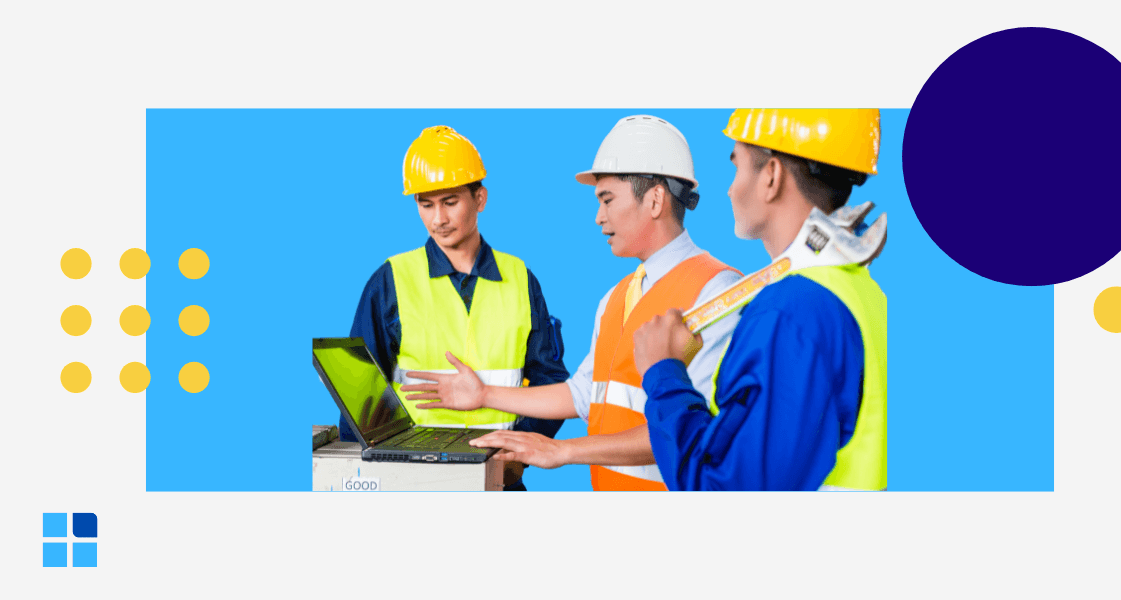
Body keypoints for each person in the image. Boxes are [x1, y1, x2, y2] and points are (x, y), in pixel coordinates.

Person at [402, 115, 742, 490]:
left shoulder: (717, 293)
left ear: (656, 199)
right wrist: (484, 394)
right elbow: (582, 394)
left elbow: (693, 426)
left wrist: (563, 451)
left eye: (607, 199)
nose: (599, 218)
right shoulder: (616, 298)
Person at [633, 109, 888, 491]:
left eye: (736, 167)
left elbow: (729, 491)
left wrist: (664, 373)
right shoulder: (862, 292)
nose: (730, 189)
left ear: (771, 176)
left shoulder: (790, 312)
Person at [343, 125, 570, 491]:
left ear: (480, 198)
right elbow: (359, 400)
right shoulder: (390, 281)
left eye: (450, 202)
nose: (438, 219)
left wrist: (518, 456)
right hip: (413, 482)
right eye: (425, 204)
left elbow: (552, 382)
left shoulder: (520, 279)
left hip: (498, 478)